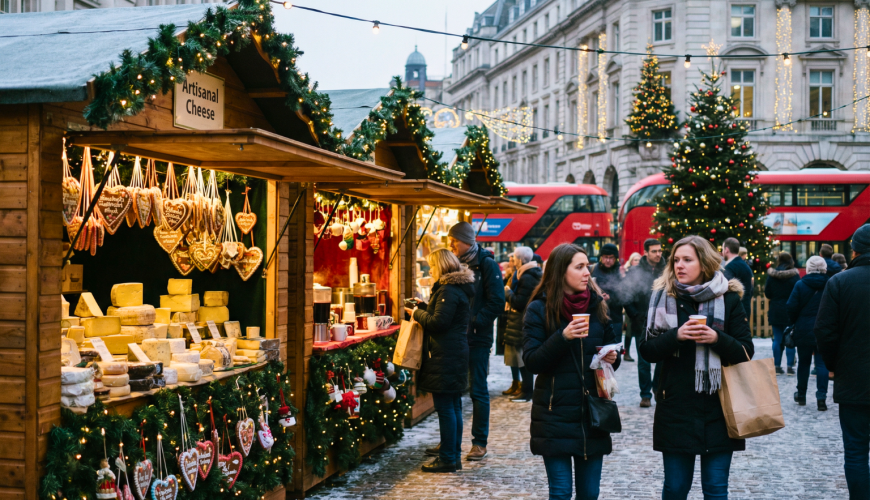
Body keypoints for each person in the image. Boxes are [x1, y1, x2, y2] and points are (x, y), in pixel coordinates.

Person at [638, 235, 754, 500]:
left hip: (720, 407)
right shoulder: (661, 297)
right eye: (676, 260)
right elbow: (647, 350)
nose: (679, 265)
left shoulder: (728, 298)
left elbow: (745, 351)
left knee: (715, 489)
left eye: (687, 260)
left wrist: (717, 339)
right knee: (676, 488)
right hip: (676, 406)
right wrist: (675, 336)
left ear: (703, 262)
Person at [522, 243, 621, 500]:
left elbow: (611, 351)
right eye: (579, 267)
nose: (587, 272)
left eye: (587, 266)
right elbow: (532, 362)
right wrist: (562, 336)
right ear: (560, 272)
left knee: (589, 494)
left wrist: (613, 357)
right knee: (561, 492)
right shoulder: (538, 309)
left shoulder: (597, 306)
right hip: (555, 415)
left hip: (593, 414)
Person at [406, 249, 475, 473]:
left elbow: (438, 324)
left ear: (441, 266)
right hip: (454, 353)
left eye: (432, 266)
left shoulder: (447, 289)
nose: (431, 270)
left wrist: (416, 314)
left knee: (446, 408)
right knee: (453, 407)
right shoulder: (456, 289)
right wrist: (424, 307)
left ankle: (447, 458)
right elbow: (445, 316)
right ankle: (452, 457)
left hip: (446, 354)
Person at [815, 224, 870, 499]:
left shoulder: (839, 282)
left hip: (854, 380)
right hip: (854, 377)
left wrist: (834, 364)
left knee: (857, 451)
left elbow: (824, 331)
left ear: (855, 249)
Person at [443, 221, 504, 461]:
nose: (451, 244)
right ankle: (451, 441)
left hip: (477, 338)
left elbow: (497, 302)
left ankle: (479, 442)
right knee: (454, 388)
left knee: (478, 390)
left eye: (454, 240)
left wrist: (475, 321)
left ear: (466, 240)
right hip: (456, 338)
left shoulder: (487, 264)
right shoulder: (455, 263)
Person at [624, 238, 665, 407]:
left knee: (662, 359)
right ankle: (645, 394)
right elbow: (626, 296)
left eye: (659, 251)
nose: (658, 254)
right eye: (654, 251)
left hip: (663, 320)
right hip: (640, 321)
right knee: (643, 361)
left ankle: (657, 388)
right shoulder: (635, 271)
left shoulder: (666, 270)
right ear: (646, 252)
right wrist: (634, 315)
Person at [787, 256, 831, 410]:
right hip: (824, 329)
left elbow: (791, 306)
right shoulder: (830, 284)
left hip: (804, 328)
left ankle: (801, 394)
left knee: (803, 363)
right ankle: (821, 398)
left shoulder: (800, 284)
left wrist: (796, 321)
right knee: (821, 363)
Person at [503, 246, 542, 402]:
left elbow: (520, 303)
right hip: (521, 321)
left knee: (523, 358)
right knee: (520, 357)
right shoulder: (527, 274)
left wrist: (507, 292)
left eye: (514, 258)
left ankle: (527, 392)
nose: (513, 261)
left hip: (523, 321)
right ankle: (525, 391)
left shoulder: (527, 276)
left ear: (520, 260)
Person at [765, 252, 800, 375]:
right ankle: (790, 367)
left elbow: (768, 293)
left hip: (775, 309)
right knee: (790, 337)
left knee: (777, 338)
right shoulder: (794, 276)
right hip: (790, 310)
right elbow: (798, 293)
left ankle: (777, 366)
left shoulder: (772, 275)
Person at [592, 243, 627, 353]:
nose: (608, 260)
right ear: (601, 257)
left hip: (615, 318)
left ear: (615, 258)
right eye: (605, 257)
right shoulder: (592, 270)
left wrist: (610, 298)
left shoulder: (620, 272)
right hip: (596, 318)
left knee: (614, 353)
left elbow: (625, 295)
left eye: (611, 257)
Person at [721, 237, 753, 319]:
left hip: (735, 312)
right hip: (745, 308)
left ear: (727, 250)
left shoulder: (730, 267)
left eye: (722, 249)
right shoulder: (744, 265)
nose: (722, 252)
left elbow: (727, 289)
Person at [622, 251, 642, 361]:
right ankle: (626, 352)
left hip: (639, 308)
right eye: (635, 260)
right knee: (629, 331)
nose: (638, 262)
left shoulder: (643, 273)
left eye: (639, 260)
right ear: (631, 261)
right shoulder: (628, 273)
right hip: (630, 308)